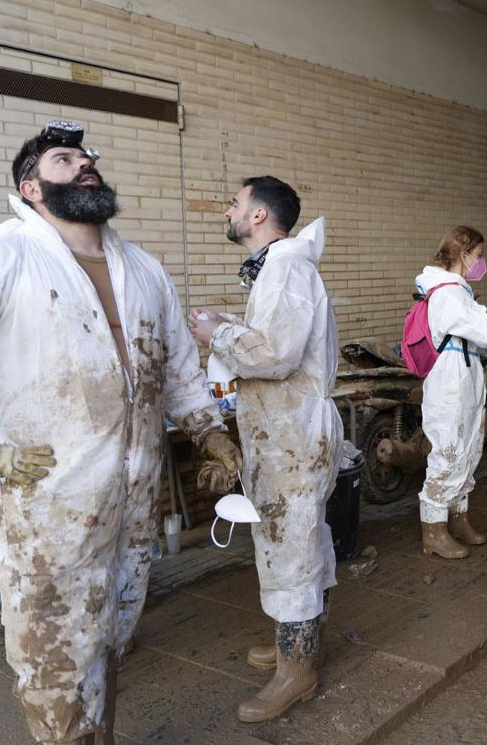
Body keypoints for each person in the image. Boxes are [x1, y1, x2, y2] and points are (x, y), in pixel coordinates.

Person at [0, 121, 241, 745]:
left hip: (134, 499)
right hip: (53, 502)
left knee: (111, 637)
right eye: (64, 159)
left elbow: (177, 365)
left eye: (87, 156)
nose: (85, 163)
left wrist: (209, 431)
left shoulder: (142, 268)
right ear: (31, 186)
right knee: (53, 654)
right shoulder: (0, 255)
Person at [187, 176, 342, 723]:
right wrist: (229, 324)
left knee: (289, 545)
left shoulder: (285, 267)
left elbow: (275, 354)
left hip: (293, 437)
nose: (228, 210)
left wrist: (216, 335)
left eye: (235, 203)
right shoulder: (277, 269)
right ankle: (293, 644)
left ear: (258, 216)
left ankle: (296, 673)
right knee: (295, 538)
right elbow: (280, 341)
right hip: (287, 435)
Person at [412, 226, 487, 559]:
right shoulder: (447, 293)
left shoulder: (458, 291)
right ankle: (433, 531)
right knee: (448, 454)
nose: (481, 262)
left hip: (463, 379)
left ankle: (458, 519)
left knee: (467, 451)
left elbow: (480, 336)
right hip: (449, 384)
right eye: (478, 256)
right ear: (463, 255)